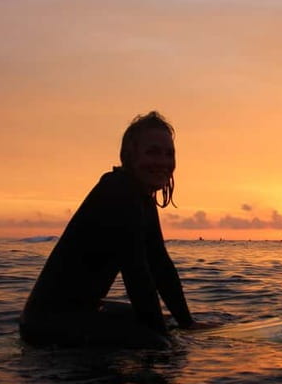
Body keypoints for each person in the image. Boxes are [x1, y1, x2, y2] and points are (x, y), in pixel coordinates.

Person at [19, 111, 207, 349]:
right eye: (152, 152)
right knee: (158, 343)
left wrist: (186, 323)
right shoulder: (118, 193)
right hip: (46, 324)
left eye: (169, 154)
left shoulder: (140, 197)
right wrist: (164, 340)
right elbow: (136, 274)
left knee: (164, 325)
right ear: (129, 156)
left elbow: (160, 265)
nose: (162, 162)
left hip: (72, 314)